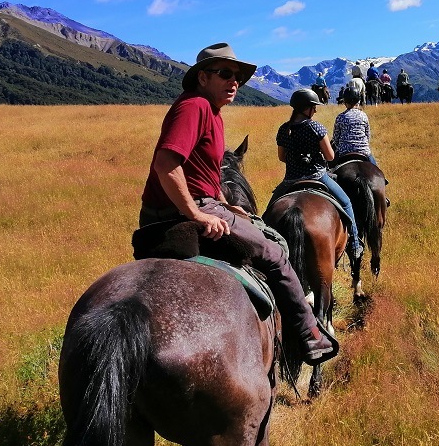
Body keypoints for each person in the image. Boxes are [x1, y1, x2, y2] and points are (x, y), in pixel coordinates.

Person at [139, 42, 335, 364]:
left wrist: (226, 204)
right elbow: (166, 165)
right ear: (203, 77)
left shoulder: (212, 113)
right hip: (183, 210)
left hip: (199, 202)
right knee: (274, 253)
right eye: (225, 74)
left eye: (238, 77)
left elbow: (203, 172)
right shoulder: (195, 107)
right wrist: (198, 214)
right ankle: (309, 334)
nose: (234, 82)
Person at [273, 89, 364, 261]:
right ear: (305, 108)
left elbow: (281, 157)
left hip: (290, 180)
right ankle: (355, 245)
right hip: (317, 176)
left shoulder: (284, 129)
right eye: (313, 107)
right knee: (346, 203)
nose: (315, 110)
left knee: (268, 214)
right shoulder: (316, 127)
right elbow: (330, 157)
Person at [333, 88, 379, 167]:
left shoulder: (340, 117)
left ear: (345, 101)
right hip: (364, 152)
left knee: (330, 170)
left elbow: (335, 138)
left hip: (344, 152)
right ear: (358, 100)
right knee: (378, 171)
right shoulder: (363, 115)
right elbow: (367, 136)